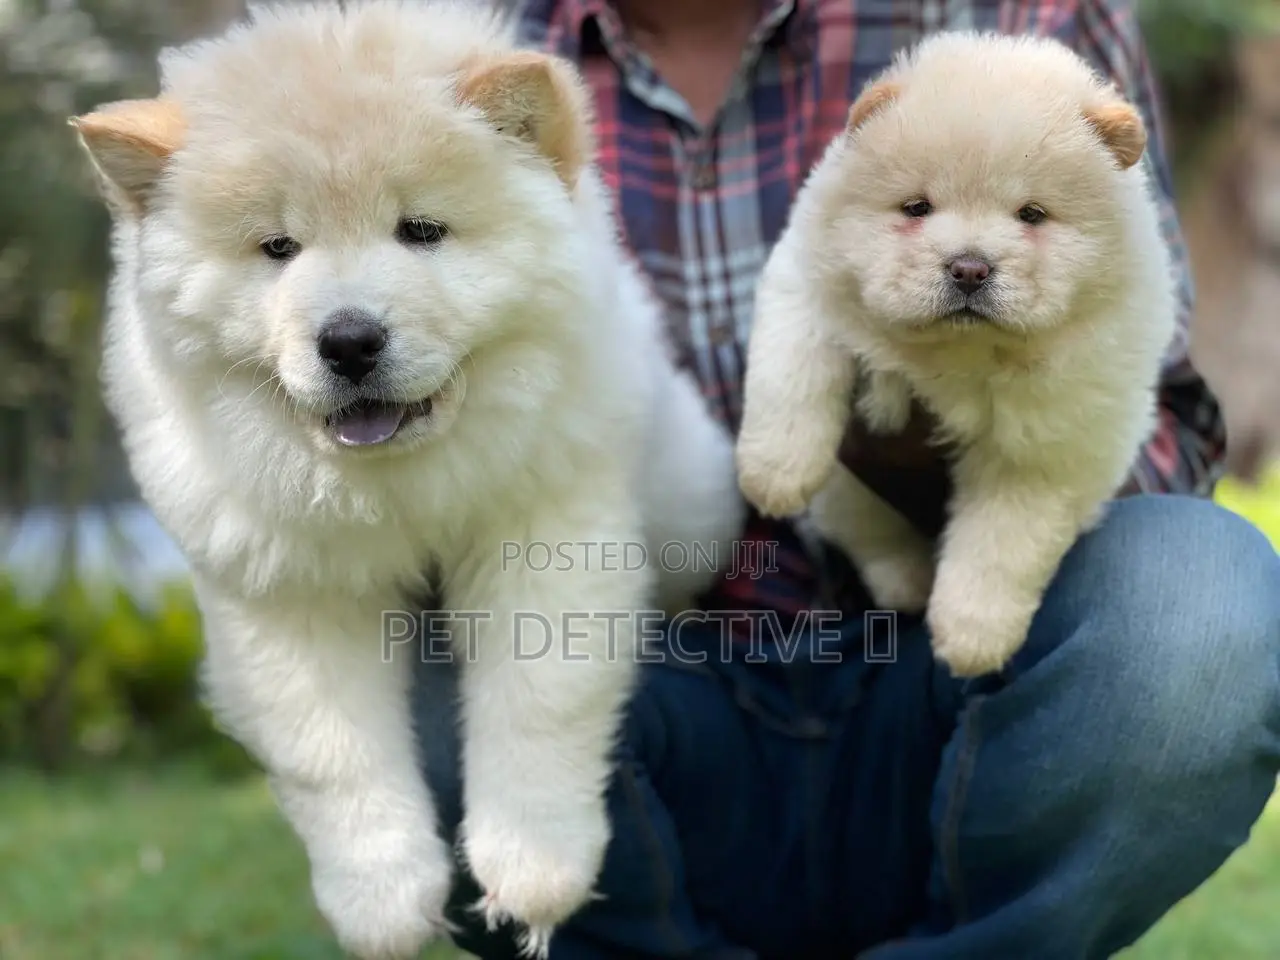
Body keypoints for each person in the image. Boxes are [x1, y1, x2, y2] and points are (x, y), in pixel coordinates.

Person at [413, 1, 1280, 957]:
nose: (968, 252)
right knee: (390, 649)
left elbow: (1165, 426)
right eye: (918, 212)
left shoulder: (1025, 19)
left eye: (1028, 218)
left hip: (950, 691)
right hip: (623, 662)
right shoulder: (456, 55)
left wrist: (973, 466)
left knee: (1198, 597)